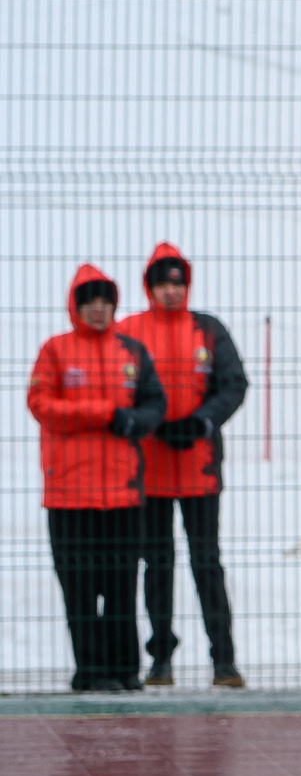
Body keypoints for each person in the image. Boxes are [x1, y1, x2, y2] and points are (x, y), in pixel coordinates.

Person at [27, 266, 165, 691]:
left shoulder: (133, 352)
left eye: (105, 301)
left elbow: (154, 404)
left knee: (122, 585)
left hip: (122, 495)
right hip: (69, 495)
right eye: (90, 301)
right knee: (80, 588)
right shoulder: (55, 351)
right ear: (76, 306)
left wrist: (135, 420)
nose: (99, 309)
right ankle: (90, 670)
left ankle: (125, 670)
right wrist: (104, 413)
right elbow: (41, 404)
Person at [119, 245, 249, 688]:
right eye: (162, 283)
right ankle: (160, 660)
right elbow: (121, 390)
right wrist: (149, 423)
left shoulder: (208, 330)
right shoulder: (130, 332)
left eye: (177, 282)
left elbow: (234, 384)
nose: (170, 291)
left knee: (206, 563)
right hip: (148, 472)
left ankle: (224, 661)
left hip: (201, 470)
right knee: (156, 565)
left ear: (186, 285)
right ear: (149, 286)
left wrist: (202, 422)